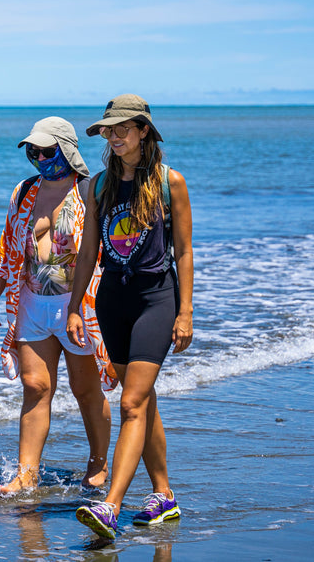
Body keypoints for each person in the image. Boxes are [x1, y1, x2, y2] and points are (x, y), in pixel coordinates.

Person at [66, 94, 194, 539]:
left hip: (156, 299)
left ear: (143, 131)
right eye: (109, 129)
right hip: (112, 302)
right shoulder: (98, 186)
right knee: (142, 397)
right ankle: (164, 495)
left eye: (123, 128)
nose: (114, 135)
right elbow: (87, 252)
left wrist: (186, 312)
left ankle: (111, 506)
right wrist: (74, 307)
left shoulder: (168, 182)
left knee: (130, 403)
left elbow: (184, 251)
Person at [0, 117, 112, 495]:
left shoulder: (90, 191)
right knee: (35, 386)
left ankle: (98, 462)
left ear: (67, 150)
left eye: (46, 149)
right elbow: (8, 247)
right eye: (32, 150)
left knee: (85, 389)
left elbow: (109, 250)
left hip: (79, 304)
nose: (38, 157)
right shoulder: (24, 192)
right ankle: (27, 472)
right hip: (31, 303)